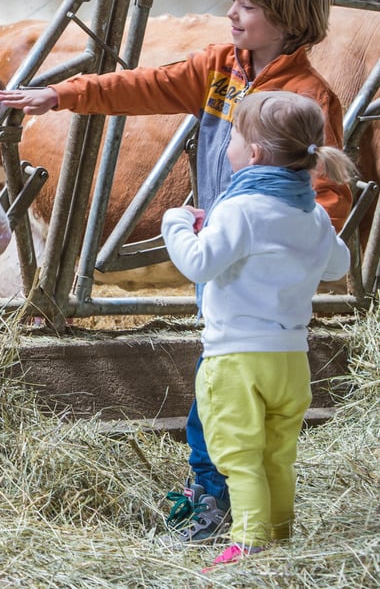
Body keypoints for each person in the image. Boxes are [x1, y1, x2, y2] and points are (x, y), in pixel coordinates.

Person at [0, 0, 354, 543]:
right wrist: (63, 94)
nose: (232, 12)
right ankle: (246, 506)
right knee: (225, 383)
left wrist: (268, 246)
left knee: (221, 393)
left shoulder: (309, 98)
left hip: (254, 274)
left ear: (290, 17)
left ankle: (215, 501)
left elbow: (327, 199)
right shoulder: (221, 67)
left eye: (248, 4)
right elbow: (145, 86)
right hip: (223, 254)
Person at [160, 90, 354, 569]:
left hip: (237, 358)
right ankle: (281, 532)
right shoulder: (312, 213)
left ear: (253, 154)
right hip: (290, 360)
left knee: (239, 454)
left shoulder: (240, 208)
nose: (227, 144)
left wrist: (177, 222)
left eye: (234, 135)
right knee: (277, 453)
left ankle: (249, 542)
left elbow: (199, 264)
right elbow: (338, 265)